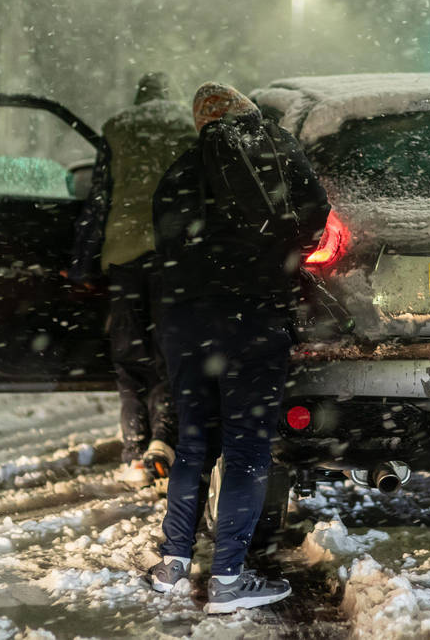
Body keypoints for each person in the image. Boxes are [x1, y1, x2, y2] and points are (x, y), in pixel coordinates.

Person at [145, 82, 330, 613]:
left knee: (194, 440)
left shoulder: (179, 170)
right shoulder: (272, 151)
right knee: (246, 448)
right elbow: (315, 218)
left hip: (183, 318)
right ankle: (228, 578)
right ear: (247, 113)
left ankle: (173, 563)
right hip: (250, 314)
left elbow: (166, 241)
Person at [69, 72, 196, 487]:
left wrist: (82, 265)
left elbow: (99, 199)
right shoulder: (189, 124)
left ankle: (136, 454)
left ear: (138, 99)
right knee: (172, 356)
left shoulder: (117, 128)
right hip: (176, 256)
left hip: (124, 256)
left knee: (130, 358)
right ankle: (164, 440)